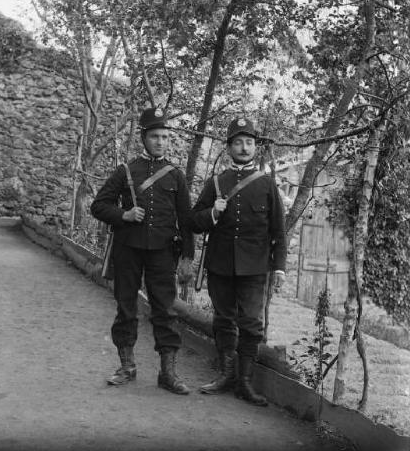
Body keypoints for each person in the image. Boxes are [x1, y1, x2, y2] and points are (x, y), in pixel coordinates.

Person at [90, 107, 194, 394]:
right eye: (154, 136)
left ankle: (168, 374)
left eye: (164, 136)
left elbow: (185, 220)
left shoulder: (175, 176)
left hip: (162, 252)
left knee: (165, 310)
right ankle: (127, 366)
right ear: (143, 138)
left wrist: (188, 257)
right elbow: (98, 205)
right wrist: (123, 215)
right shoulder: (126, 171)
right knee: (126, 308)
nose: (160, 141)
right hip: (128, 250)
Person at [188, 117, 287, 406]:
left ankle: (245, 383)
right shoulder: (216, 182)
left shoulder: (267, 184)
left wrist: (279, 266)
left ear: (255, 147)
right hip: (220, 264)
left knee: (251, 324)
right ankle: (226, 375)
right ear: (228, 146)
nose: (244, 148)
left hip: (255, 268)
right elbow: (193, 221)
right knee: (223, 320)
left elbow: (278, 231)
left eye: (249, 142)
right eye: (238, 142)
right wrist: (213, 214)